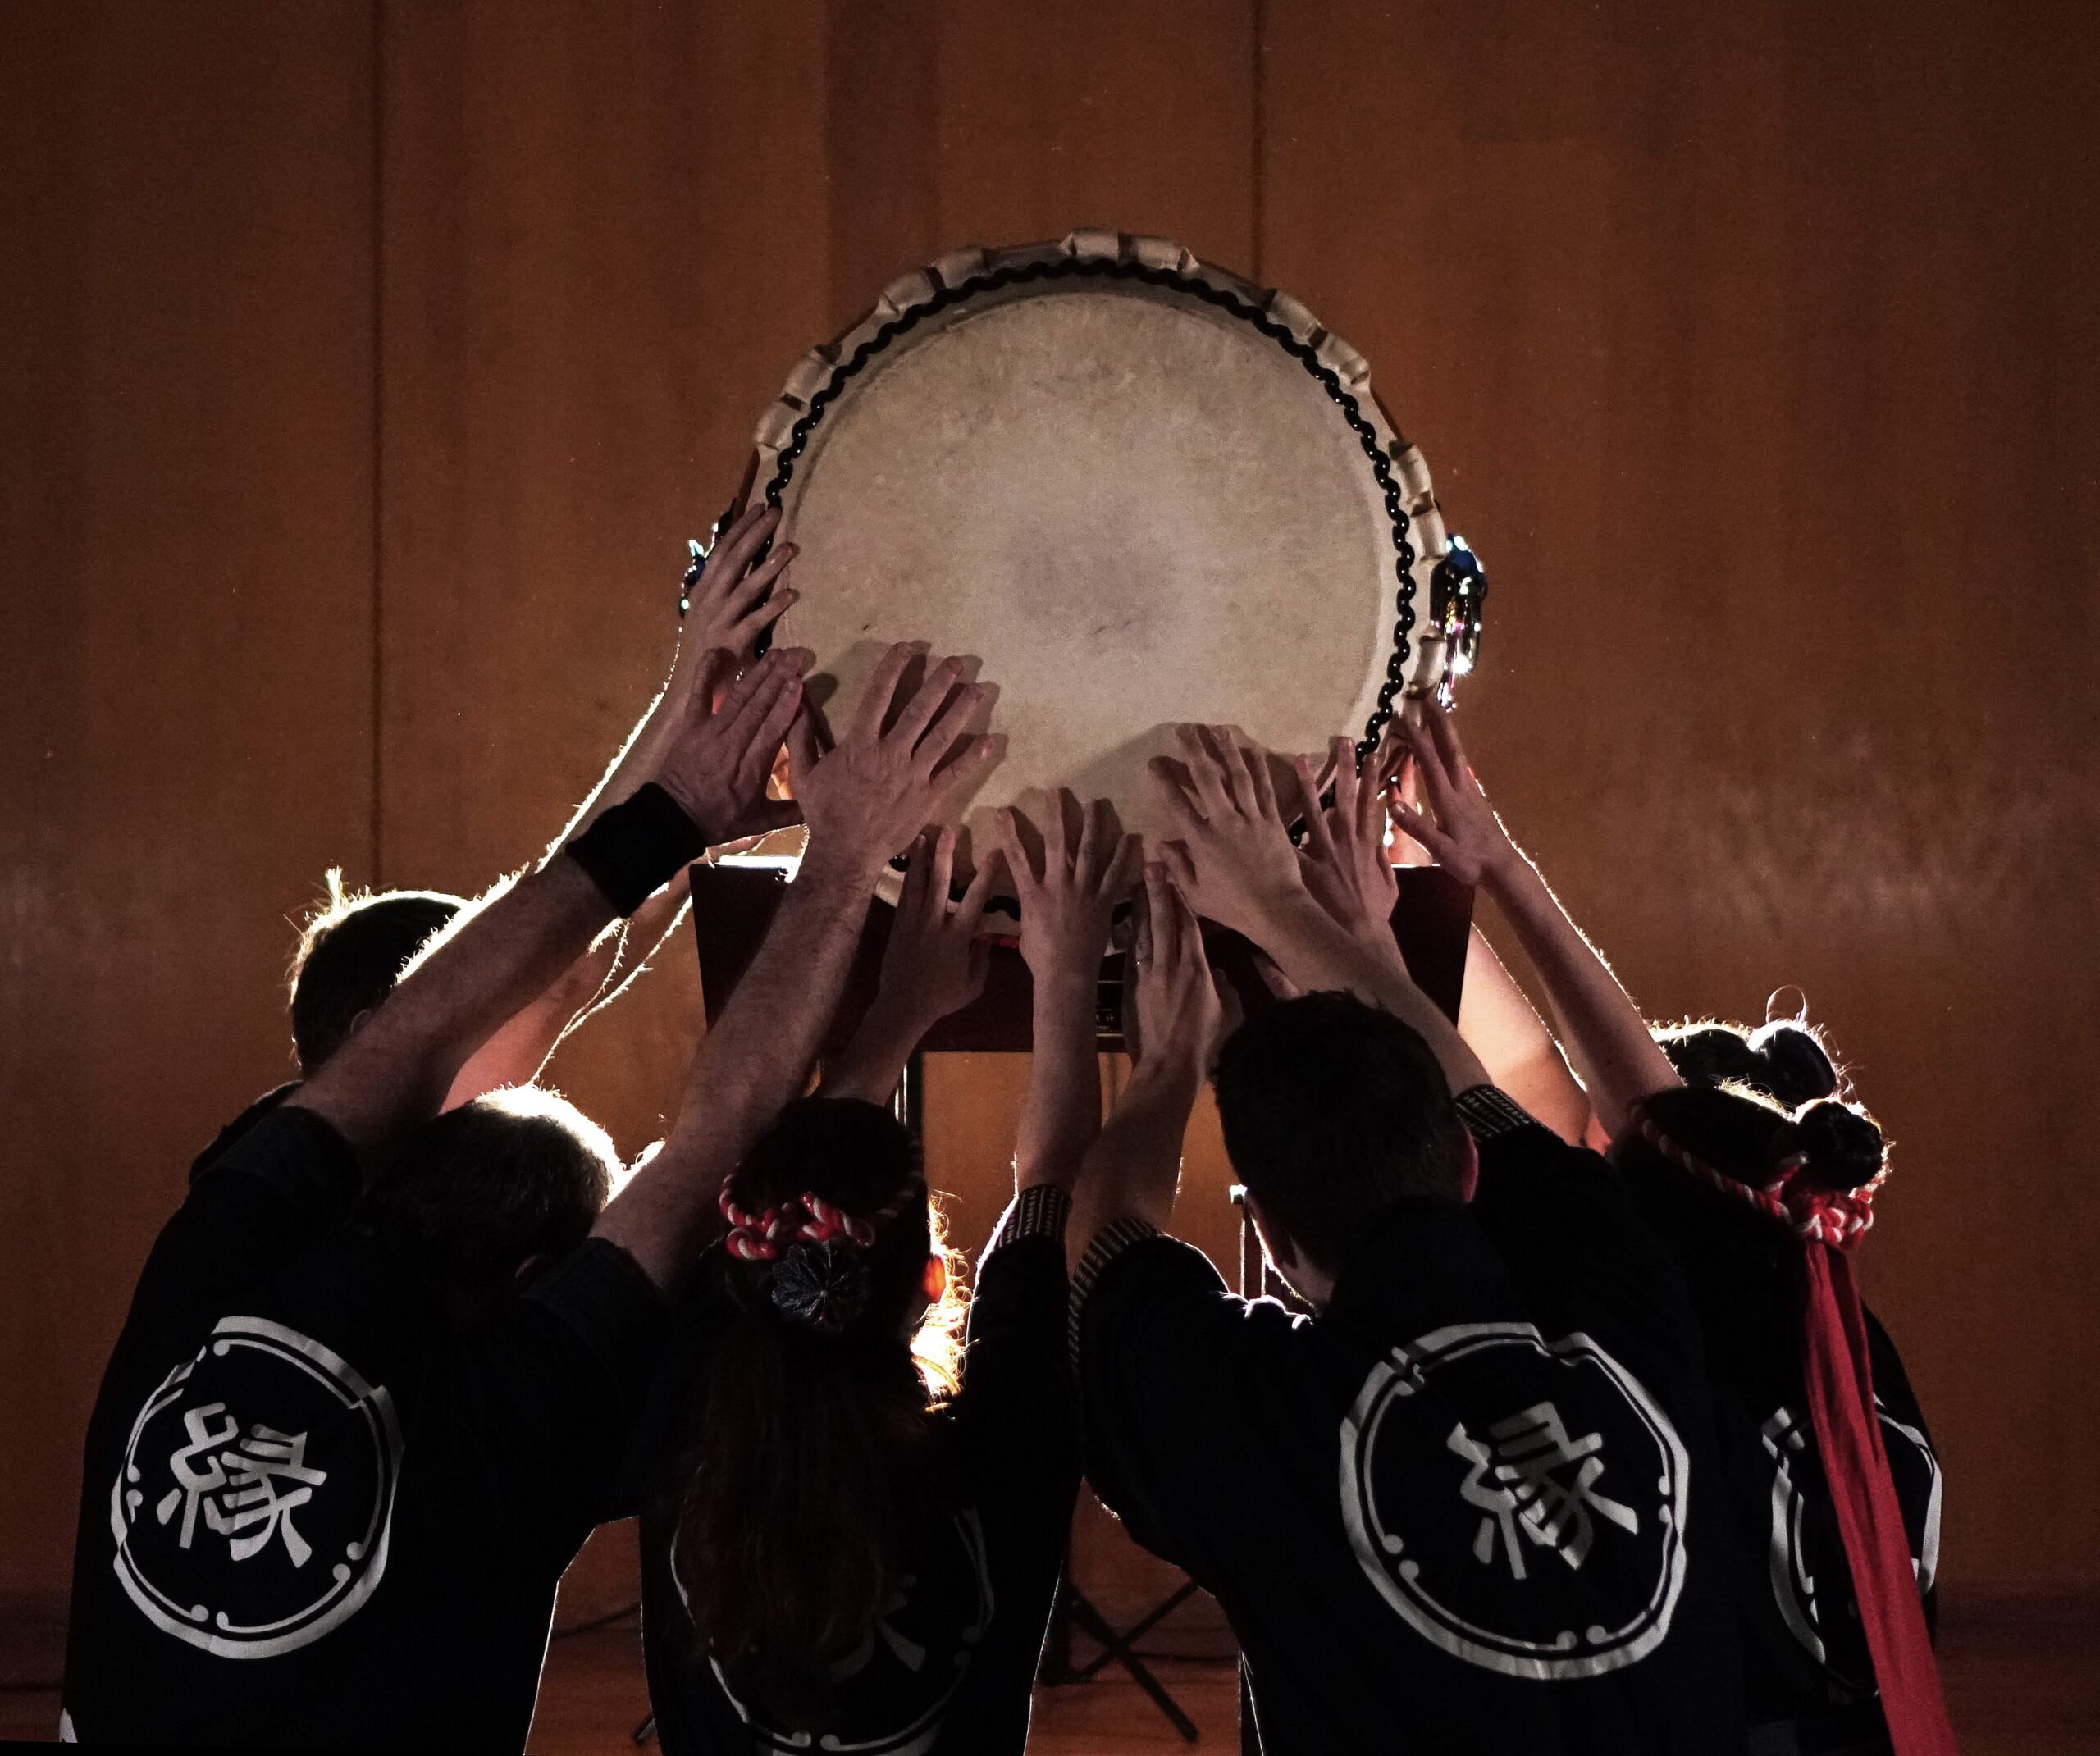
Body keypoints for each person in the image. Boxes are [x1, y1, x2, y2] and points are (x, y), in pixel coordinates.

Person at [60, 508, 961, 1751]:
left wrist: (680, 778)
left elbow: (427, 1029)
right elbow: (700, 1148)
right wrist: (849, 851)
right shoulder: (494, 1439)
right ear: (531, 1277)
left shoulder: (215, 1265)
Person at [1068, 723, 1746, 1754]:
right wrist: (1288, 909)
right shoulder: (1628, 1297)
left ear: (1273, 1241)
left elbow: (1097, 1252)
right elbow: (1485, 1099)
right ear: (1463, 1167)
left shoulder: (1274, 1421)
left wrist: (1162, 1065)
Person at [1391, 700, 1950, 1756]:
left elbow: (1542, 1104)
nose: (1587, 1152)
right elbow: (1598, 1102)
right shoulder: (1823, 1326)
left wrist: (1338, 922)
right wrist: (1469, 871)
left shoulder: (1680, 1397)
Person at [633, 791, 1135, 1755]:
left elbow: (1044, 1185)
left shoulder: (675, 1409)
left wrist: (897, 1011)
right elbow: (1048, 1183)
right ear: (935, 1283)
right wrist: (1067, 978)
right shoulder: (1006, 1449)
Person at [188, 504, 798, 1182]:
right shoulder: (368, 1183)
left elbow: (583, 958)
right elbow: (566, 972)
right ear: (372, 1030)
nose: (528, 983)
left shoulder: (317, 1154)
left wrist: (691, 846)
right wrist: (689, 689)